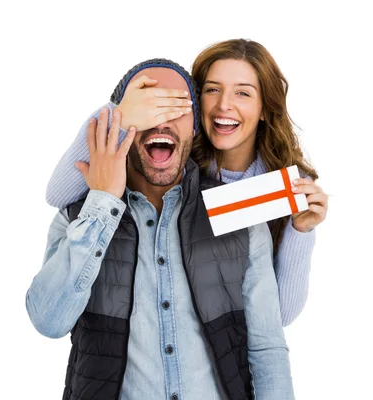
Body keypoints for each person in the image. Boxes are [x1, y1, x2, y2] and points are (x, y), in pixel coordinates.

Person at [26, 59, 295, 399]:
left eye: (178, 107)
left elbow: (267, 350)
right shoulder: (80, 218)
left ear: (195, 126)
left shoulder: (235, 213)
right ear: (122, 124)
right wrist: (103, 202)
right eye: (148, 108)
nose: (162, 121)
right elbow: (47, 321)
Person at [45, 39, 329, 326]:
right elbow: (58, 194)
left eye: (243, 93)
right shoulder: (173, 163)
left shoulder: (286, 187)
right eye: (212, 90)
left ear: (265, 108)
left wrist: (300, 232)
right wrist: (119, 114)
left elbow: (277, 316)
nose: (224, 105)